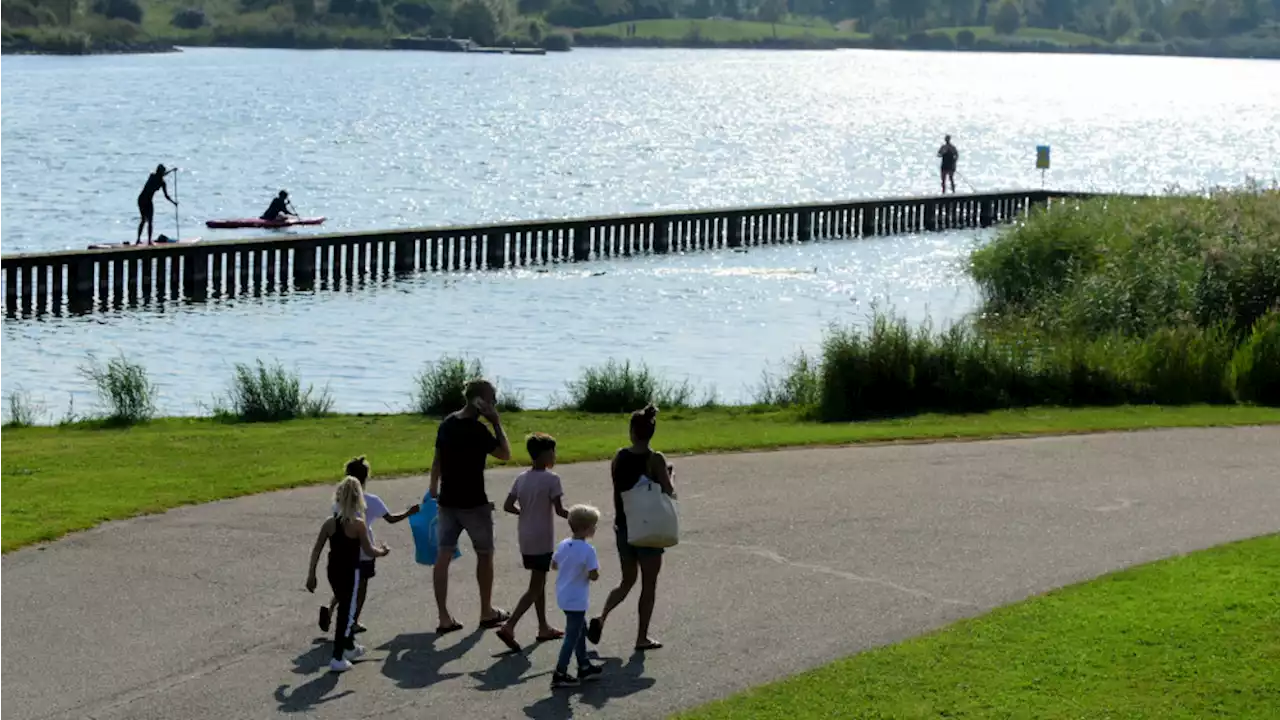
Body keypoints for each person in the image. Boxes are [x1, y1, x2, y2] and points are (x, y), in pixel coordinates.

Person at [588, 404, 675, 652]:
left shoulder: (620, 457)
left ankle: (602, 616)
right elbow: (669, 492)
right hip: (648, 530)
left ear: (631, 431)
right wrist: (670, 474)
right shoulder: (655, 458)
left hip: (624, 527)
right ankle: (642, 637)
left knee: (627, 581)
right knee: (648, 585)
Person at [429, 378, 513, 634]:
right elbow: (505, 454)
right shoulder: (477, 430)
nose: (494, 403)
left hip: (447, 501)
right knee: (485, 554)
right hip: (474, 503)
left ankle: (444, 616)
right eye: (492, 399)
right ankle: (486, 611)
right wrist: (496, 423)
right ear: (480, 401)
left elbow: (437, 459)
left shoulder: (447, 423)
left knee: (443, 556)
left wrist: (433, 488)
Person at [318, 456, 419, 636]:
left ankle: (331, 607)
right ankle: (353, 620)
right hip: (364, 549)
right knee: (360, 585)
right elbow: (390, 519)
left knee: (345, 584)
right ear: (365, 478)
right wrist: (409, 512)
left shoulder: (339, 500)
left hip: (343, 548)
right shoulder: (371, 500)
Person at [305, 476, 391, 673]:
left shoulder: (329, 523)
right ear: (358, 498)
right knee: (347, 612)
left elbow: (317, 549)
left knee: (345, 604)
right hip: (350, 572)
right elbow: (369, 551)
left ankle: (350, 648)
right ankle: (337, 656)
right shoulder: (358, 524)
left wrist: (311, 575)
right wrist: (383, 551)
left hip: (332, 571)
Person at [495, 433, 570, 652]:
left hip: (526, 535)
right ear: (546, 454)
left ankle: (543, 626)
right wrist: (579, 517)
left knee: (539, 582)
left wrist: (526, 512)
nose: (555, 456)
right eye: (553, 452)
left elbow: (508, 505)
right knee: (535, 586)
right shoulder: (552, 479)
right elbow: (559, 510)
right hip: (542, 538)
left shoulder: (522, 478)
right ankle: (509, 626)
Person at [551, 504, 604, 689]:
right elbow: (593, 575)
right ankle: (560, 672)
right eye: (593, 526)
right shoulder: (588, 550)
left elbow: (554, 564)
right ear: (585, 529)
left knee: (580, 630)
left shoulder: (564, 544)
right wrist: (593, 572)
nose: (595, 529)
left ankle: (584, 665)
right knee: (572, 636)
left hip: (563, 595)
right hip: (577, 599)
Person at [136, 164, 177, 246]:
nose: (161, 174)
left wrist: (173, 202)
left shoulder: (160, 181)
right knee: (144, 220)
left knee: (149, 221)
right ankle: (139, 240)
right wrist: (171, 171)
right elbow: (161, 175)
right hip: (142, 199)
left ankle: (148, 241)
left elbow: (166, 195)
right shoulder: (153, 176)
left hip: (148, 200)